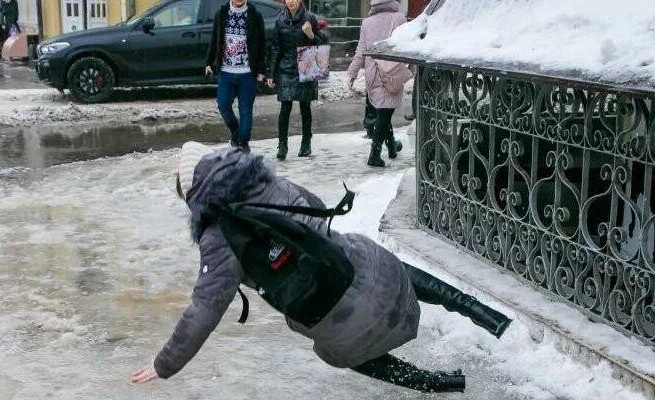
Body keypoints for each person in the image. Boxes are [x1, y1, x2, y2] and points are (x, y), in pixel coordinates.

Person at [131, 143, 513, 393]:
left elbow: (204, 308)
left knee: (338, 346)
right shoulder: (271, 183)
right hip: (370, 275)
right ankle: (488, 316)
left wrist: (164, 364)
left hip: (335, 321)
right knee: (377, 262)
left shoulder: (217, 238)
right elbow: (317, 214)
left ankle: (434, 384)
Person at [348, 0, 410, 168]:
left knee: (384, 112)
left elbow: (361, 51)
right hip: (392, 73)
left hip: (373, 73)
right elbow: (406, 47)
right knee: (384, 114)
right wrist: (413, 68)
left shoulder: (366, 22)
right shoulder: (399, 19)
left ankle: (391, 148)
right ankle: (374, 155)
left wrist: (352, 72)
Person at [267, 0, 328, 160]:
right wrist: (271, 73)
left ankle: (306, 143)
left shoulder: (309, 18)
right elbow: (276, 48)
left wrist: (311, 34)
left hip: (306, 66)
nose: (291, 1)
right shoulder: (280, 20)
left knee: (305, 106)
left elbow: (321, 45)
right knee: (285, 108)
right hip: (286, 68)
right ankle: (282, 145)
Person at [204, 0, 266, 152]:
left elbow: (262, 44)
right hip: (226, 72)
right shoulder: (222, 13)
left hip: (247, 73)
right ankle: (236, 132)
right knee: (223, 105)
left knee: (245, 110)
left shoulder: (255, 15)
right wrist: (209, 62)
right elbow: (214, 40)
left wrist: (261, 70)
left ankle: (243, 144)